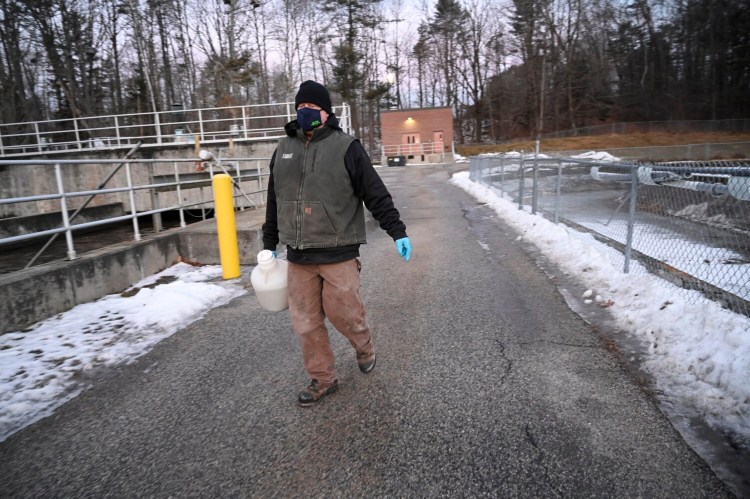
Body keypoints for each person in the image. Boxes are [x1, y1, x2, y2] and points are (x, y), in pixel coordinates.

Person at [262, 80, 412, 407]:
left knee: (345, 313)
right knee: (306, 323)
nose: (304, 113)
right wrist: (269, 241)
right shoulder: (283, 149)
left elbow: (375, 193)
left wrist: (397, 230)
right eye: (300, 108)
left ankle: (364, 345)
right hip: (299, 256)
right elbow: (274, 199)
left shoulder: (347, 147)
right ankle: (322, 379)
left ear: (325, 111)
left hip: (338, 251)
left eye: (311, 108)